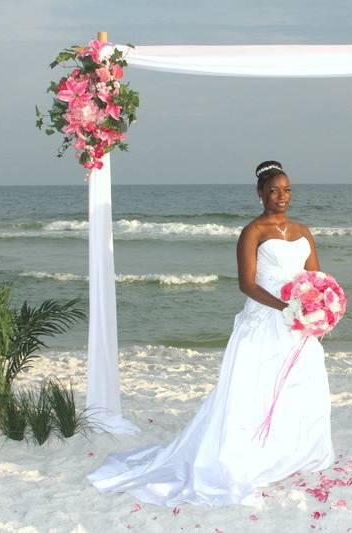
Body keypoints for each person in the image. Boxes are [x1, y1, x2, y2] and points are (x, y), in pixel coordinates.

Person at [87, 161, 334, 507]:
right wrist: (284, 307)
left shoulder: (303, 230)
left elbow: (316, 279)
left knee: (301, 387)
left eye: (287, 189)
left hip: (298, 327)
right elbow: (247, 284)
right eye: (274, 190)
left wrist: (318, 309)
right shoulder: (253, 232)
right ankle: (252, 455)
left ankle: (292, 451)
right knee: (254, 392)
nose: (282, 196)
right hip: (266, 320)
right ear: (260, 193)